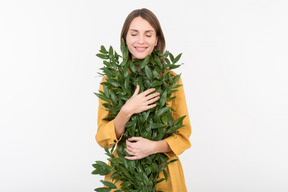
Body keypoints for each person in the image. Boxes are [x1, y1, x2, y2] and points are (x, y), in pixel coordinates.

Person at [96, 8, 191, 192]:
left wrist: (154, 147)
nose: (141, 40)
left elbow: (183, 136)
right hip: (124, 173)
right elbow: (103, 139)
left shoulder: (171, 80)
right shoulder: (111, 81)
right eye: (134, 34)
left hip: (163, 173)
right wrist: (126, 111)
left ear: (156, 40)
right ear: (125, 38)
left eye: (148, 34)